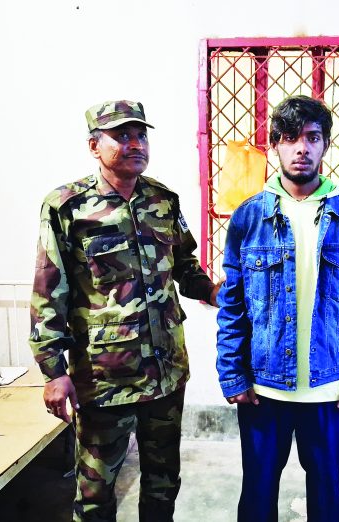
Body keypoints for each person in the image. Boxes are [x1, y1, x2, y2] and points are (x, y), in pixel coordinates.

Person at [29, 100, 219, 521]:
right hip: (104, 377)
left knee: (163, 482)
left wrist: (213, 291)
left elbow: (185, 267)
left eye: (141, 135)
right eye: (122, 136)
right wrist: (53, 371)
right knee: (95, 491)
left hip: (166, 372)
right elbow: (48, 290)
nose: (136, 144)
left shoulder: (163, 201)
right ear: (94, 146)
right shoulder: (67, 207)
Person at [216, 95, 339, 521]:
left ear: (325, 144)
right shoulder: (248, 218)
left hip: (328, 387)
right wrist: (232, 373)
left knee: (326, 493)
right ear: (275, 144)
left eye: (312, 137)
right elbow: (233, 306)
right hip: (263, 386)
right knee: (257, 491)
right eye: (290, 138)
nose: (301, 149)